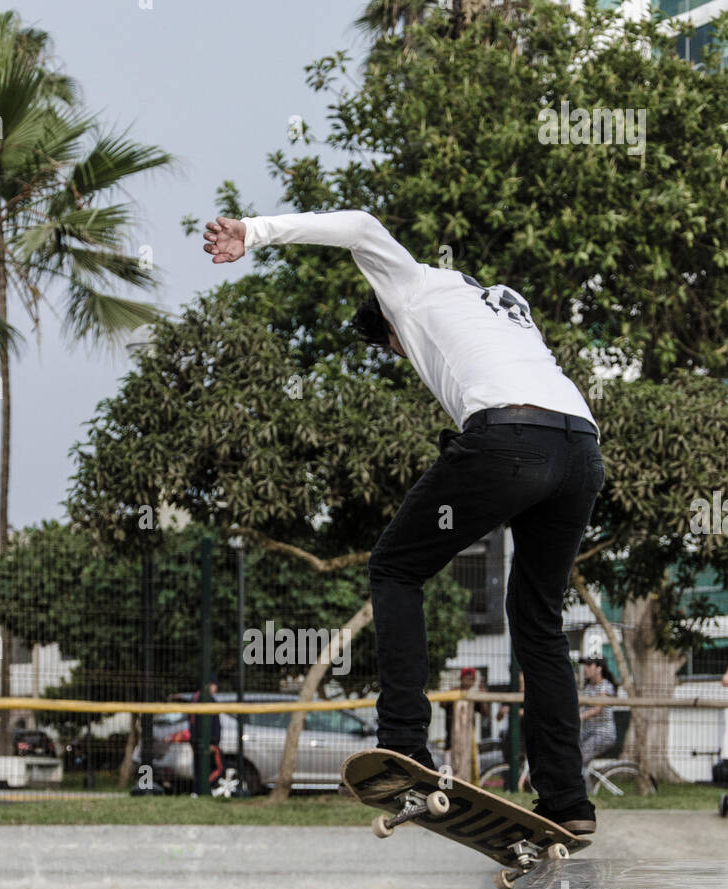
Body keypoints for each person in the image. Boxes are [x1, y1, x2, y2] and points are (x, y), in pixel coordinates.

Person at [203, 210, 604, 834]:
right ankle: (568, 803)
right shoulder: (503, 303)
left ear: (389, 320)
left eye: (391, 345)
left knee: (394, 567)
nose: (403, 356)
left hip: (511, 436)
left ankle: (405, 750)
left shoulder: (408, 284)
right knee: (538, 622)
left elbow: (361, 226)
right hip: (580, 448)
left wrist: (252, 233)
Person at [579, 656, 619, 769]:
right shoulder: (587, 687)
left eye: (589, 665)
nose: (585, 669)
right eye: (584, 665)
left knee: (578, 760)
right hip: (587, 733)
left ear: (599, 668)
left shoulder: (606, 686)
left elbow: (597, 710)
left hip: (603, 734)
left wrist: (578, 717)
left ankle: (583, 787)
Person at [188, 678, 223, 797]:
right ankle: (204, 789)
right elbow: (211, 724)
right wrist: (213, 742)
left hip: (196, 740)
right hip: (206, 741)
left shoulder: (195, 697)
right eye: (214, 685)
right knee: (219, 768)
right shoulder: (207, 699)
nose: (216, 688)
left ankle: (197, 791)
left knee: (199, 768)